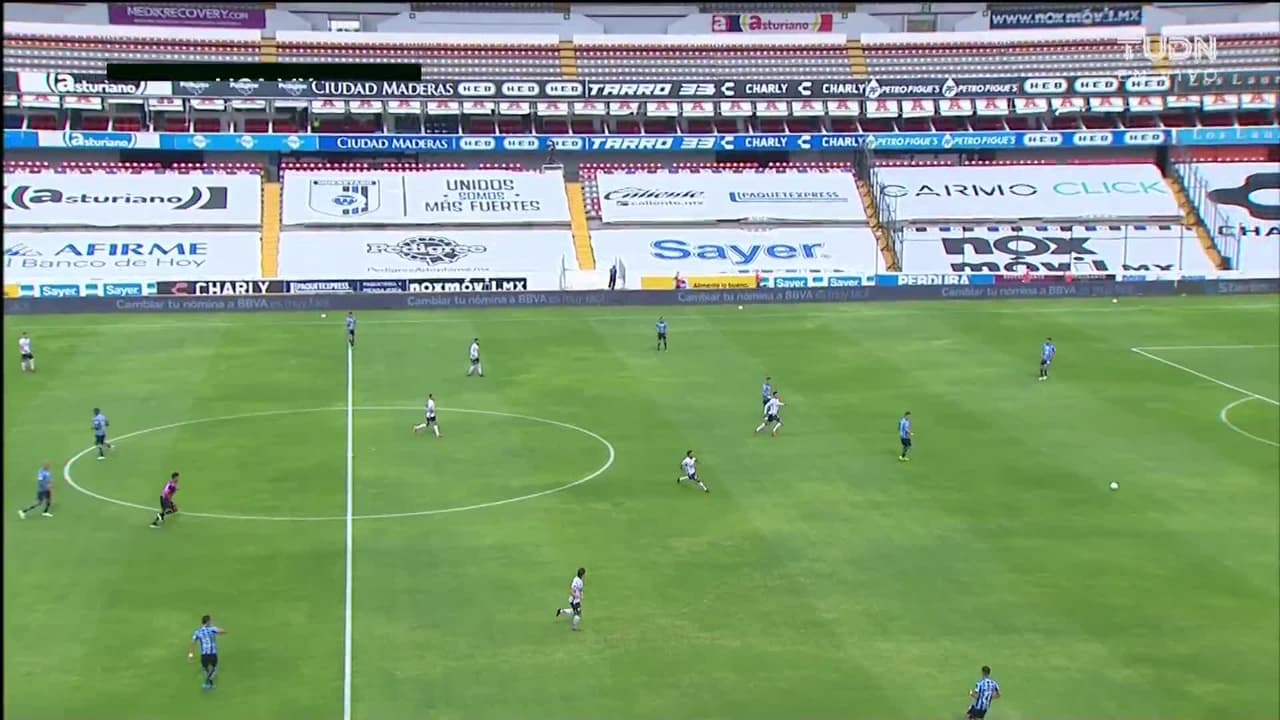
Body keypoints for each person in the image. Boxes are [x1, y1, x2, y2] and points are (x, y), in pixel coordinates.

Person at [188, 615, 226, 690]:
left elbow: (193, 642)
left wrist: (191, 654)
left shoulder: (197, 631)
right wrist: (219, 632)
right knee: (214, 668)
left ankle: (208, 683)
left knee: (205, 668)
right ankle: (210, 680)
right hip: (213, 654)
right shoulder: (212, 629)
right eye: (210, 621)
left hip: (204, 655)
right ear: (208, 621)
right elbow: (222, 631)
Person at [554, 567, 586, 631]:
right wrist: (578, 596)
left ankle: (560, 611)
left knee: (574, 612)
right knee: (578, 614)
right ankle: (574, 628)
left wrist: (581, 594)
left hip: (575, 600)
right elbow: (571, 591)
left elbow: (580, 589)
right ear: (582, 575)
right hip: (574, 600)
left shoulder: (580, 580)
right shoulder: (576, 581)